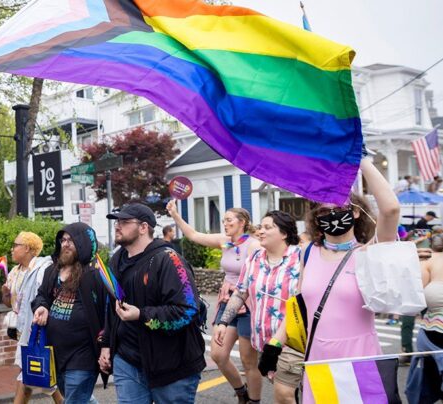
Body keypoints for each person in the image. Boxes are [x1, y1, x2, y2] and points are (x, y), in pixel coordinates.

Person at [274, 156, 400, 404]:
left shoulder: (370, 252)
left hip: (361, 359)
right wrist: (275, 343)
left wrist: (362, 160)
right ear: (316, 219)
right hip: (319, 361)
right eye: (324, 211)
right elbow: (299, 307)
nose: (332, 215)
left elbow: (391, 210)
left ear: (356, 212)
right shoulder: (308, 253)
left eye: (340, 209)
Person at [101, 203, 206, 404]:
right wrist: (106, 344)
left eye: (124, 221)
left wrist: (141, 315)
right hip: (127, 361)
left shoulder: (169, 260)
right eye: (117, 221)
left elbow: (187, 311)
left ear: (143, 227)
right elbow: (111, 307)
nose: (117, 226)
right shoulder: (117, 260)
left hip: (172, 366)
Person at [167, 202, 261, 403]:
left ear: (242, 222)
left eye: (229, 220)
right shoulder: (224, 241)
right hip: (228, 301)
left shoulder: (253, 245)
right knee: (218, 354)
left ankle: (254, 400)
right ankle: (241, 391)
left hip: (248, 303)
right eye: (223, 220)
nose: (225, 224)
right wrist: (175, 214)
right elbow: (193, 235)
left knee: (248, 361)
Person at [214, 211, 302, 404]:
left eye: (267, 227)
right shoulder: (254, 258)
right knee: (284, 390)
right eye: (261, 227)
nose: (260, 231)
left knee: (284, 393)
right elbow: (241, 292)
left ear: (284, 233)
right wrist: (223, 322)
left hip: (293, 343)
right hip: (264, 341)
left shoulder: (300, 258)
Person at [32, 222, 109, 404]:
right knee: (77, 398)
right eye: (63, 240)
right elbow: (41, 296)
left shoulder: (95, 275)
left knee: (74, 400)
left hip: (83, 356)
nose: (65, 244)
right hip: (56, 354)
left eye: (71, 240)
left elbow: (108, 313)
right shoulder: (52, 271)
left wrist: (106, 345)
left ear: (83, 244)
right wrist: (41, 307)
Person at [2, 231, 63, 404]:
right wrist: (5, 294)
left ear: (27, 248)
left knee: (28, 373)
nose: (12, 249)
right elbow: (10, 303)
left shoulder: (43, 268)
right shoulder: (14, 272)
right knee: (36, 372)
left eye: (16, 245)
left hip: (37, 328)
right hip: (22, 331)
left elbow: (45, 296)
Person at [406, 234, 443, 402]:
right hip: (432, 335)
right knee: (424, 387)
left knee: (424, 387)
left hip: (432, 333)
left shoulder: (428, 262)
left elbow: (414, 299)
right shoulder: (428, 262)